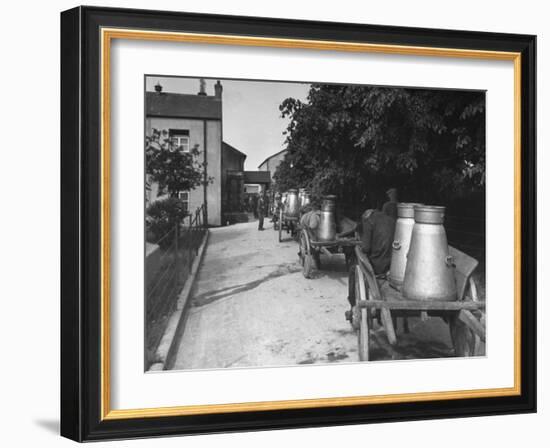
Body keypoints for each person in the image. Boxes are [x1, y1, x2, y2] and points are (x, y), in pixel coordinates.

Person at [347, 208, 395, 310]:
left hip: (378, 263)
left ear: (365, 216)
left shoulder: (368, 220)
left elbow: (366, 248)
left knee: (353, 269)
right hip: (393, 263)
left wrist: (360, 246)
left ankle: (352, 304)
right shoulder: (391, 220)